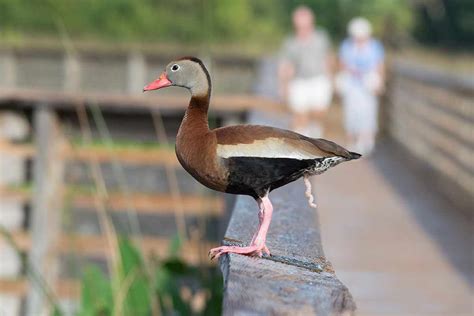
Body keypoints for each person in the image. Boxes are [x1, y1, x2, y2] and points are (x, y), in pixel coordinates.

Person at [278, 5, 333, 138]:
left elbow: (329, 57)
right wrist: (283, 85)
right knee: (299, 114)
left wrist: (331, 78)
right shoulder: (290, 42)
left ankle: (315, 136)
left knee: (319, 113)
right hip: (299, 81)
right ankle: (302, 142)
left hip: (319, 79)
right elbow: (285, 64)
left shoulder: (321, 37)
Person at [338, 17, 385, 155]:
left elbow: (379, 65)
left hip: (369, 85)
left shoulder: (375, 46)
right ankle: (351, 141)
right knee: (351, 113)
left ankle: (367, 141)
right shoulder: (347, 45)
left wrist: (380, 81)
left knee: (369, 113)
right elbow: (342, 64)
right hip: (352, 85)